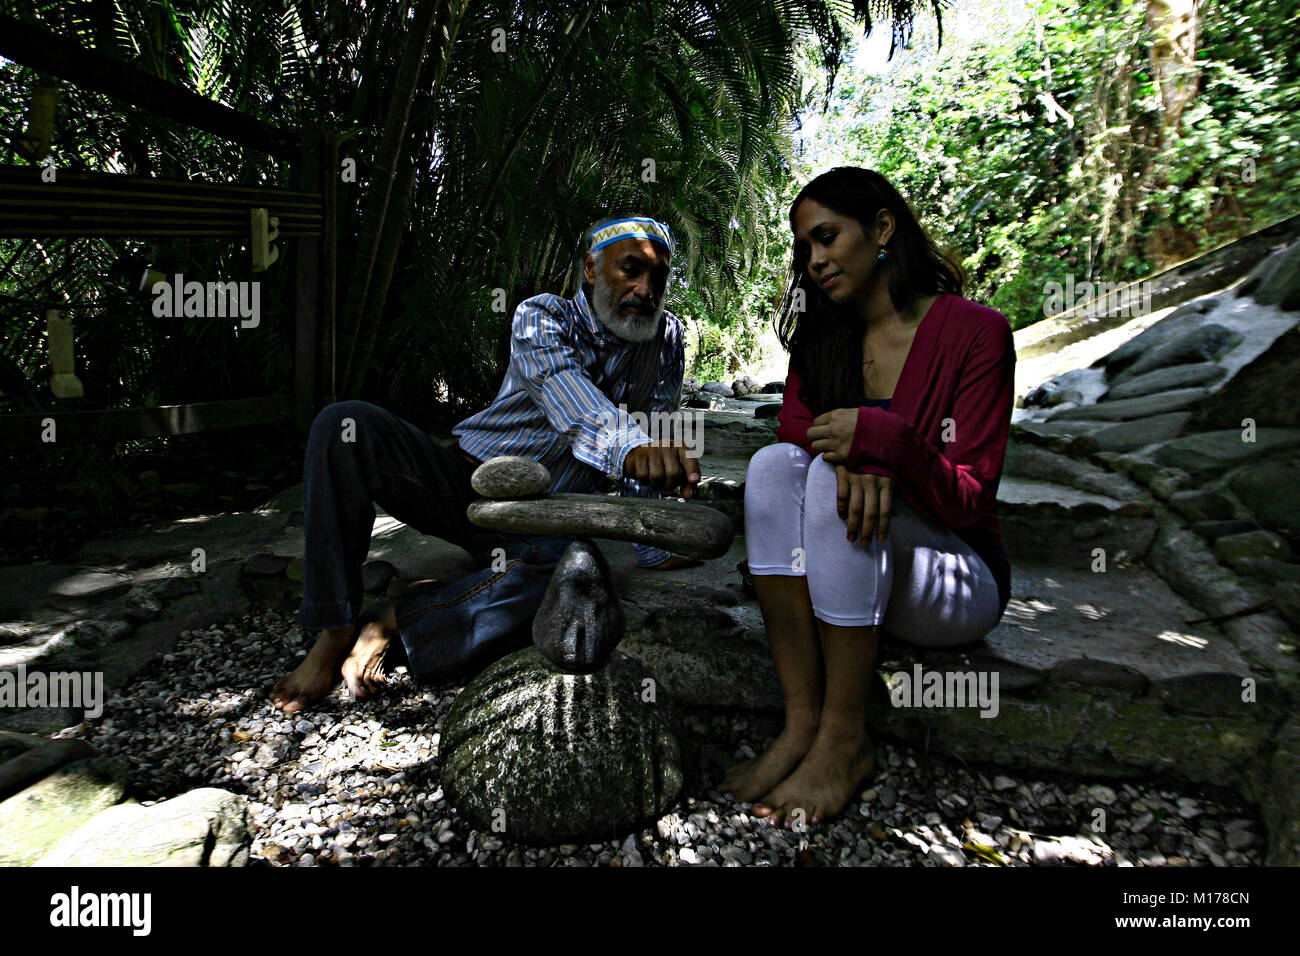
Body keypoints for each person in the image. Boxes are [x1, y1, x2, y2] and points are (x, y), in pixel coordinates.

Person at [270, 214, 701, 713]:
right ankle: (335, 625)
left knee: (580, 574)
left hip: (548, 517)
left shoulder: (665, 338)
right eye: (631, 270)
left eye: (658, 277)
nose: (645, 288)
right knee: (345, 426)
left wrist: (651, 544)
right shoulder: (542, 316)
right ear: (590, 268)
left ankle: (399, 619)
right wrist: (629, 449)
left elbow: (659, 427)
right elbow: (574, 402)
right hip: (463, 483)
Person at [721, 167, 1015, 827]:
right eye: (804, 249)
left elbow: (969, 498)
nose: (815, 260)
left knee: (828, 477)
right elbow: (793, 426)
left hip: (955, 573)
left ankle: (844, 738)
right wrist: (858, 449)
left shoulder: (977, 333)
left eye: (827, 238)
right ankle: (801, 725)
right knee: (773, 467)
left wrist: (885, 442)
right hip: (862, 564)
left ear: (882, 228)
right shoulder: (828, 338)